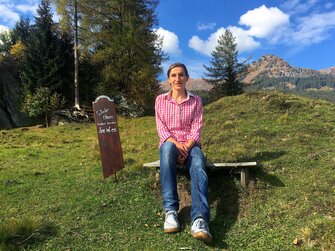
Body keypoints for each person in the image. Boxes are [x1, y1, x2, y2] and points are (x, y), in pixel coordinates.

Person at [155, 63, 212, 243]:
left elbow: (197, 128)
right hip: (170, 144)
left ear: (187, 78)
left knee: (197, 163)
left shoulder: (196, 101)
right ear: (169, 79)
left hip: (190, 144)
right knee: (166, 151)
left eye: (181, 75)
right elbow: (162, 129)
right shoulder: (160, 100)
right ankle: (171, 211)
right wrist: (176, 145)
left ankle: (199, 219)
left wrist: (186, 147)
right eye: (173, 75)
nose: (177, 79)